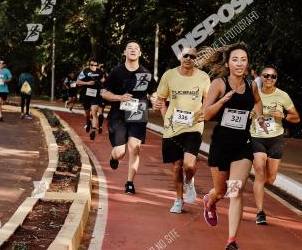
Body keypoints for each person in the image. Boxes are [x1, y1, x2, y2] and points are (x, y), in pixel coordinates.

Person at [201, 43, 266, 250]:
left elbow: (257, 103)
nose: (239, 63)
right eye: (235, 59)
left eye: (243, 60)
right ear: (228, 62)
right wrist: (222, 101)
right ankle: (209, 202)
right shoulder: (219, 84)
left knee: (235, 192)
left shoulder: (252, 86)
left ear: (248, 63)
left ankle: (231, 241)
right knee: (220, 192)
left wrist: (260, 117)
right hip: (220, 145)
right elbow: (206, 115)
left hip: (242, 146)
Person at [155, 45, 210, 213]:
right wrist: (166, 120)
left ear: (196, 60)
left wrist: (205, 113)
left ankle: (190, 180)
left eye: (192, 57)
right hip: (173, 128)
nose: (188, 59)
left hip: (194, 127)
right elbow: (161, 101)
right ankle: (178, 200)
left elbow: (208, 100)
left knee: (189, 165)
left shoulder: (203, 77)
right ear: (180, 56)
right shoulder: (169, 75)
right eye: (186, 56)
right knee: (177, 166)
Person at [102, 41, 156, 194]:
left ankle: (129, 182)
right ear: (125, 52)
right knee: (120, 152)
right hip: (118, 115)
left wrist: (154, 98)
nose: (133, 50)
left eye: (136, 48)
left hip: (138, 112)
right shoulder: (116, 72)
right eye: (130, 48)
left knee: (135, 147)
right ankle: (114, 158)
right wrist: (119, 97)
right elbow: (105, 93)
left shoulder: (145, 73)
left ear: (140, 54)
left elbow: (154, 92)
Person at [251, 65, 300, 225]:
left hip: (276, 139)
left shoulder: (282, 96)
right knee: (259, 170)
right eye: (266, 76)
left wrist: (284, 115)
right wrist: (250, 114)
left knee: (270, 179)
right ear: (261, 77)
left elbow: (297, 118)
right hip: (257, 136)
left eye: (273, 76)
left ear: (276, 79)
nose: (269, 79)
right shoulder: (253, 94)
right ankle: (260, 212)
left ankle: (260, 184)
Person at [77, 59, 104, 138]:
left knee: (94, 112)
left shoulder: (99, 72)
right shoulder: (85, 71)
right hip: (86, 95)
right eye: (92, 65)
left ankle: (93, 130)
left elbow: (103, 80)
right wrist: (87, 83)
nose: (93, 67)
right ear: (89, 65)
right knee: (87, 114)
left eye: (95, 65)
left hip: (95, 95)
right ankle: (88, 122)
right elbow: (78, 82)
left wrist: (103, 82)